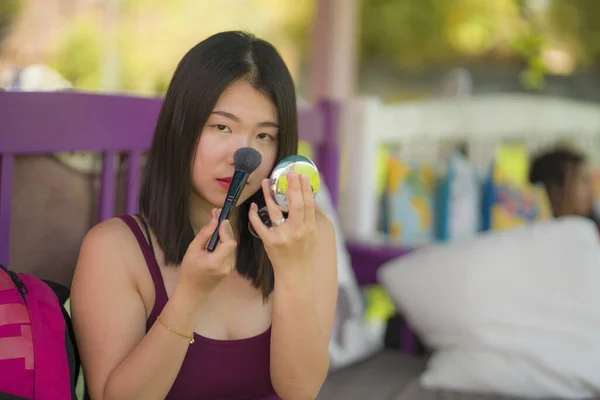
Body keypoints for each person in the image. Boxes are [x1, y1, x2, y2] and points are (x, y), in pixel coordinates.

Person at [71, 31, 338, 400]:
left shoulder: (309, 236)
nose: (242, 155)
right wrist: (189, 297)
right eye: (221, 127)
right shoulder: (115, 250)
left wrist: (292, 270)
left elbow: (301, 390)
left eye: (264, 136)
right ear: (181, 126)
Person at [529, 146, 596, 221]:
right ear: (554, 189)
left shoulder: (592, 224)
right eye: (584, 181)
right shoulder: (531, 228)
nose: (592, 190)